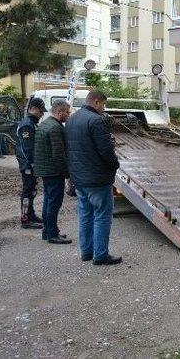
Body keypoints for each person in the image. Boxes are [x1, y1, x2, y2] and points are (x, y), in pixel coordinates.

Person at [66, 90, 122, 265]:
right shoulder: (96, 121)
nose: (103, 108)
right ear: (96, 102)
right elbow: (105, 150)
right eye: (103, 104)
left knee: (85, 215)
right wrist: (115, 164)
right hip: (97, 179)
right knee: (102, 215)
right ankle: (100, 255)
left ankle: (86, 252)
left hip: (79, 178)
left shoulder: (71, 119)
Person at [34, 100, 72, 244]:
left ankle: (48, 231)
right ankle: (52, 234)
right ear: (60, 112)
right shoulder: (56, 128)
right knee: (54, 203)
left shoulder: (45, 124)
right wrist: (67, 173)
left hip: (45, 171)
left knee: (48, 202)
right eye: (67, 112)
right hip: (54, 172)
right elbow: (58, 155)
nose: (68, 115)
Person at [16, 98, 46, 229]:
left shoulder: (32, 123)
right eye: (40, 111)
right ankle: (25, 219)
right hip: (28, 165)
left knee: (32, 190)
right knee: (27, 192)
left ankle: (31, 214)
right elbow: (27, 148)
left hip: (32, 164)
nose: (42, 114)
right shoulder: (27, 124)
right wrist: (32, 164)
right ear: (33, 109)